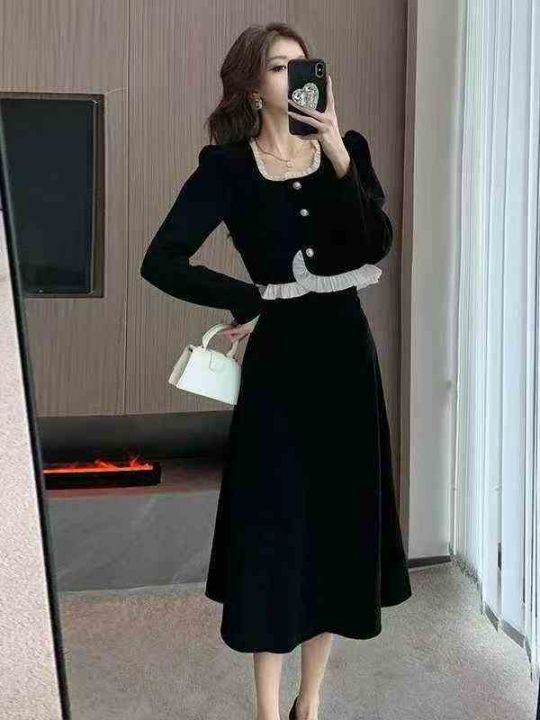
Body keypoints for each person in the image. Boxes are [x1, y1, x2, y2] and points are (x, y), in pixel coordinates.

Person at [140, 21, 412, 720]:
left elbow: (375, 241)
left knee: (334, 526)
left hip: (345, 359)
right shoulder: (227, 169)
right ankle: (267, 711)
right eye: (278, 67)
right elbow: (161, 260)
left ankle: (308, 703)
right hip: (280, 368)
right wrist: (249, 298)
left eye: (302, 65)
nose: (294, 78)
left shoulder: (347, 150)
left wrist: (336, 150)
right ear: (251, 86)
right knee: (274, 526)